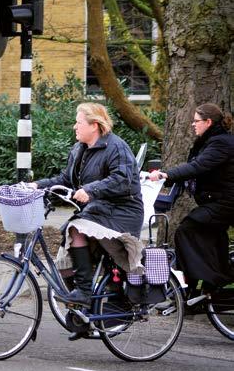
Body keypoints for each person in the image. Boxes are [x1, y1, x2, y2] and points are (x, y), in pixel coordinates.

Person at [29, 103, 144, 328]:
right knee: (67, 252)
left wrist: (91, 190)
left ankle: (84, 292)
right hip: (98, 210)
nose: (75, 126)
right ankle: (83, 312)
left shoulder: (116, 147)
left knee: (75, 229)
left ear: (95, 125)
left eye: (79, 122)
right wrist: (36, 186)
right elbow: (65, 179)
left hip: (123, 211)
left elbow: (122, 179)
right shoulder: (79, 149)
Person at [148, 103, 234, 292]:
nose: (193, 125)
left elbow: (198, 166)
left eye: (196, 121)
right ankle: (201, 292)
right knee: (211, 239)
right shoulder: (212, 141)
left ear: (208, 122)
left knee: (186, 230)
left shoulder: (221, 143)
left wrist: (166, 174)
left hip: (225, 203)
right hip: (217, 201)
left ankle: (211, 280)